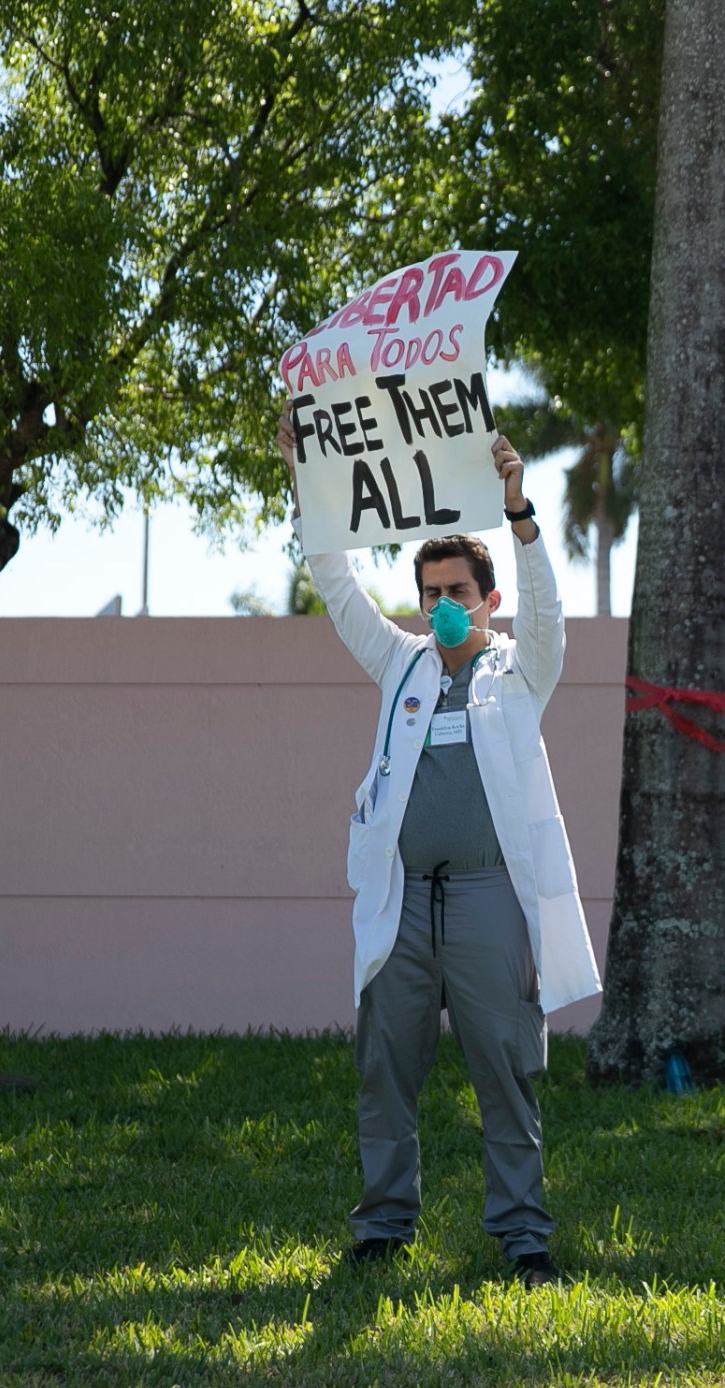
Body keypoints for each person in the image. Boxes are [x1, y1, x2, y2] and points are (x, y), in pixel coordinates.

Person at [278, 417, 598, 1288]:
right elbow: (336, 582)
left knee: (508, 1065)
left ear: (489, 596)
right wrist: (308, 474)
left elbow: (552, 616)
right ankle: (383, 1225)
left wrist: (519, 513)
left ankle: (524, 1236)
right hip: (405, 899)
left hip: (493, 898)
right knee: (385, 1066)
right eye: (429, 591)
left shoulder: (522, 670)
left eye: (457, 587)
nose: (441, 603)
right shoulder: (401, 665)